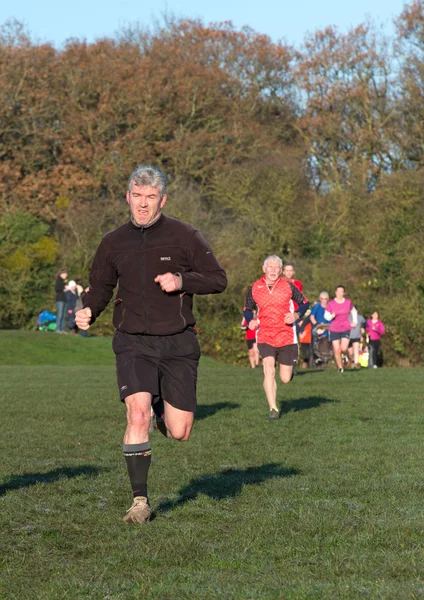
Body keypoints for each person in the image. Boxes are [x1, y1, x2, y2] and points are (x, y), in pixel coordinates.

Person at [75, 165, 227, 525]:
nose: (143, 204)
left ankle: (161, 404)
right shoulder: (112, 242)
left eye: (151, 197)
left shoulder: (184, 235)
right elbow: (99, 287)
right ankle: (139, 501)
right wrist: (88, 311)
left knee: (180, 431)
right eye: (137, 196)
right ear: (128, 196)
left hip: (177, 344)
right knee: (136, 414)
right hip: (132, 343)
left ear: (162, 199)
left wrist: (182, 279)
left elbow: (218, 279)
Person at [244, 255, 309, 421]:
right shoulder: (254, 287)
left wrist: (296, 314)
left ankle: (290, 369)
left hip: (286, 335)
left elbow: (304, 303)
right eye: (270, 267)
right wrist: (251, 319)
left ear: (280, 271)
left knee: (285, 378)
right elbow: (248, 308)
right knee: (268, 369)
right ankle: (273, 408)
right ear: (264, 269)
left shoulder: (288, 286)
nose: (273, 270)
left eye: (276, 268)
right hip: (265, 333)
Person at [324, 285, 357, 373]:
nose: (340, 293)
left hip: (345, 327)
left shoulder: (348, 302)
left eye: (341, 291)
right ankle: (340, 367)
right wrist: (332, 316)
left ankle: (345, 356)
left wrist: (355, 321)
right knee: (337, 349)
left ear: (344, 293)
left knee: (343, 348)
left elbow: (354, 311)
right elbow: (326, 316)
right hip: (334, 328)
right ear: (335, 292)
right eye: (338, 291)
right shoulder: (331, 303)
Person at [309, 291, 331, 365]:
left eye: (325, 299)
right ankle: (316, 360)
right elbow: (312, 317)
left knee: (327, 344)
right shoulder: (317, 306)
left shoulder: (330, 306)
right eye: (322, 299)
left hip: (327, 327)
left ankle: (326, 361)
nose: (324, 300)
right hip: (318, 327)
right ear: (320, 299)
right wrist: (317, 325)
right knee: (316, 344)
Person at [54, 269, 68, 333]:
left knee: (63, 315)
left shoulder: (63, 281)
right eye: (65, 274)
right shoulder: (58, 280)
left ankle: (62, 329)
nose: (66, 275)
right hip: (60, 299)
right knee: (60, 314)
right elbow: (57, 288)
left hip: (64, 299)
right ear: (61, 274)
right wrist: (64, 288)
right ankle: (58, 329)